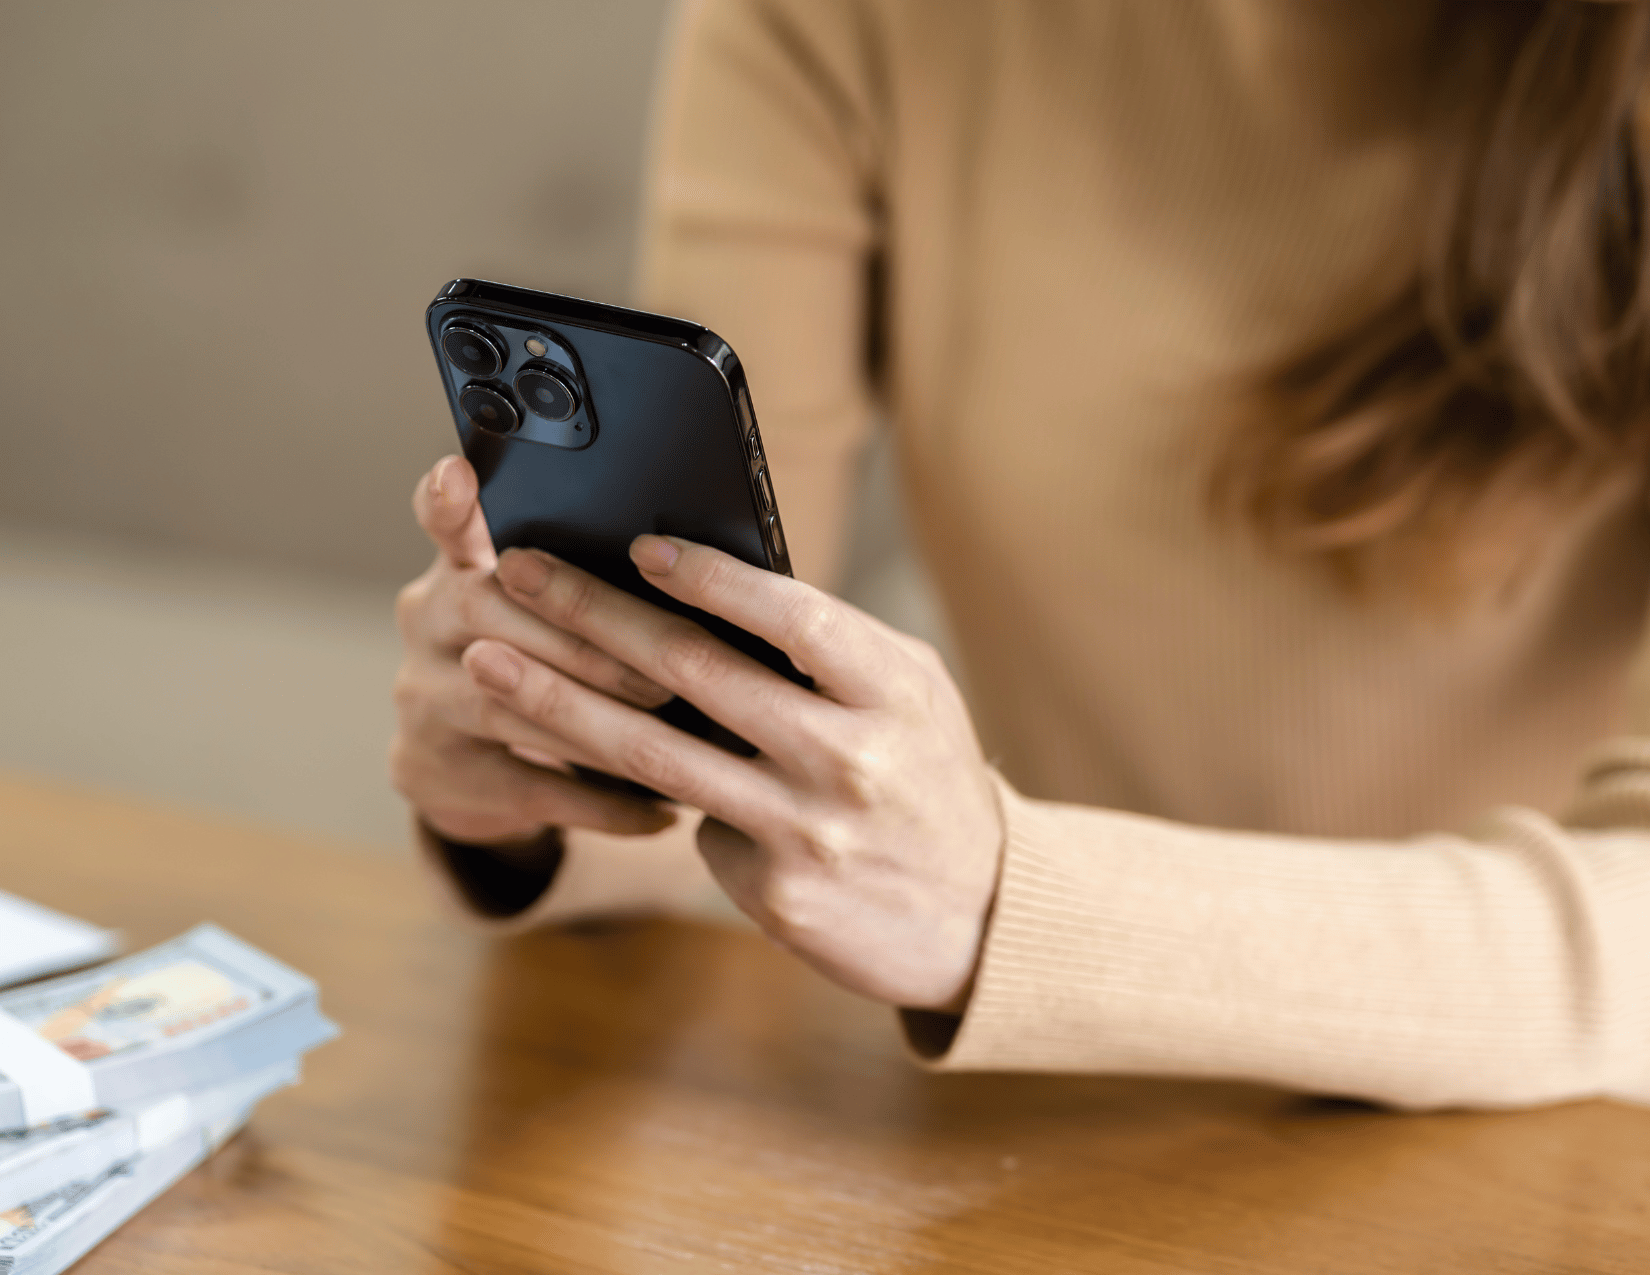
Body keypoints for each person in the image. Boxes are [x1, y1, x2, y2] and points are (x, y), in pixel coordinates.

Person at [391, 0, 1650, 1109]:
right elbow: (762, 760)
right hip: (1050, 1115)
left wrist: (1012, 904)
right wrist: (554, 751)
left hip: (1553, 1137)